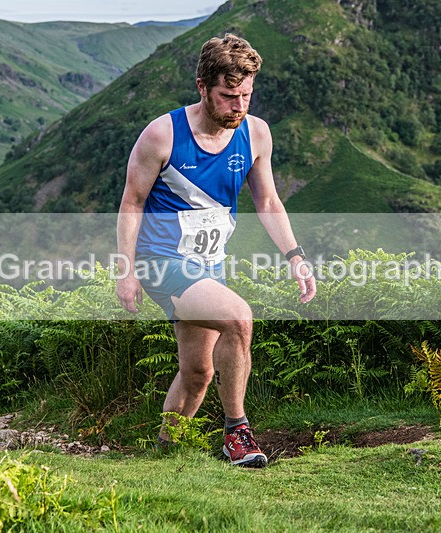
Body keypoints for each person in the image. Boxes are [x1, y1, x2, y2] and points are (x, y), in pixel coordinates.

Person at [116, 33, 316, 468]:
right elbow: (131, 202)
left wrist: (295, 255)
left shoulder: (256, 134)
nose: (238, 106)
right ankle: (236, 434)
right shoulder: (162, 135)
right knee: (238, 318)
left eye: (245, 94)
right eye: (228, 96)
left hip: (209, 265)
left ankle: (165, 453)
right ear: (203, 87)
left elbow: (267, 202)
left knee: (199, 372)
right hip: (161, 261)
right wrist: (125, 270)